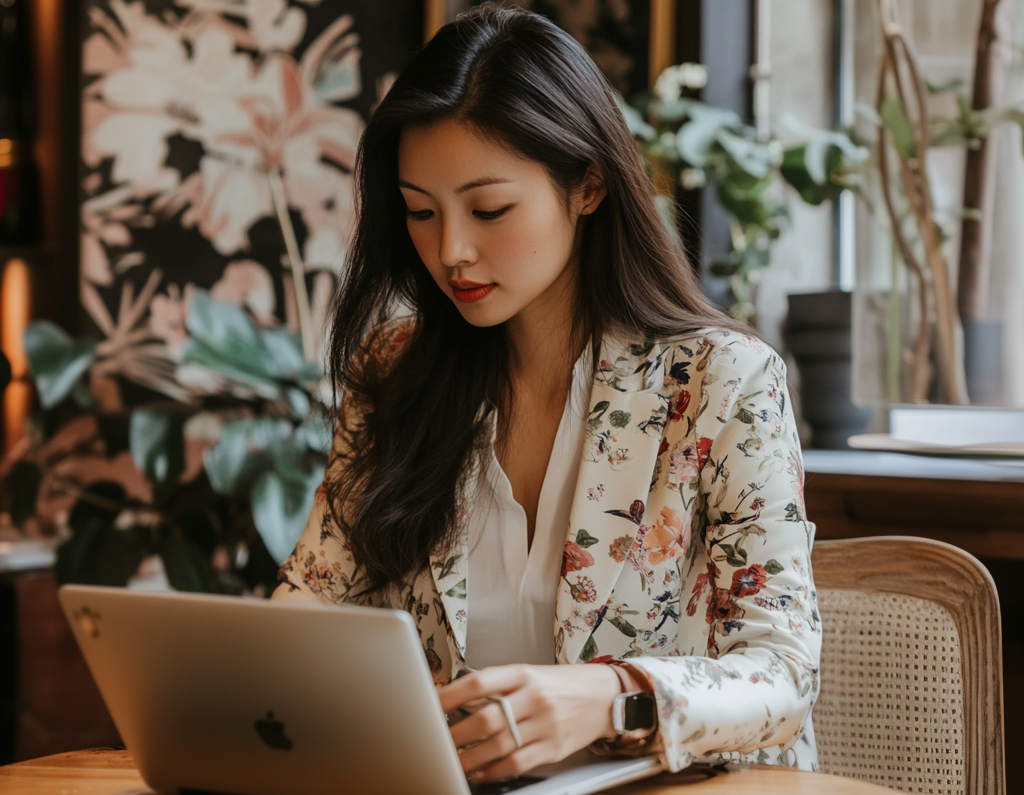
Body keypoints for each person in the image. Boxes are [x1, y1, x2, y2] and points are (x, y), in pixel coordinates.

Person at [272, 5, 820, 785]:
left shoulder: (720, 380)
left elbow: (783, 675)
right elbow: (313, 601)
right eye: (420, 212)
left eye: (489, 209)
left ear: (588, 183)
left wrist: (608, 696)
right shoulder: (397, 369)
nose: (450, 250)